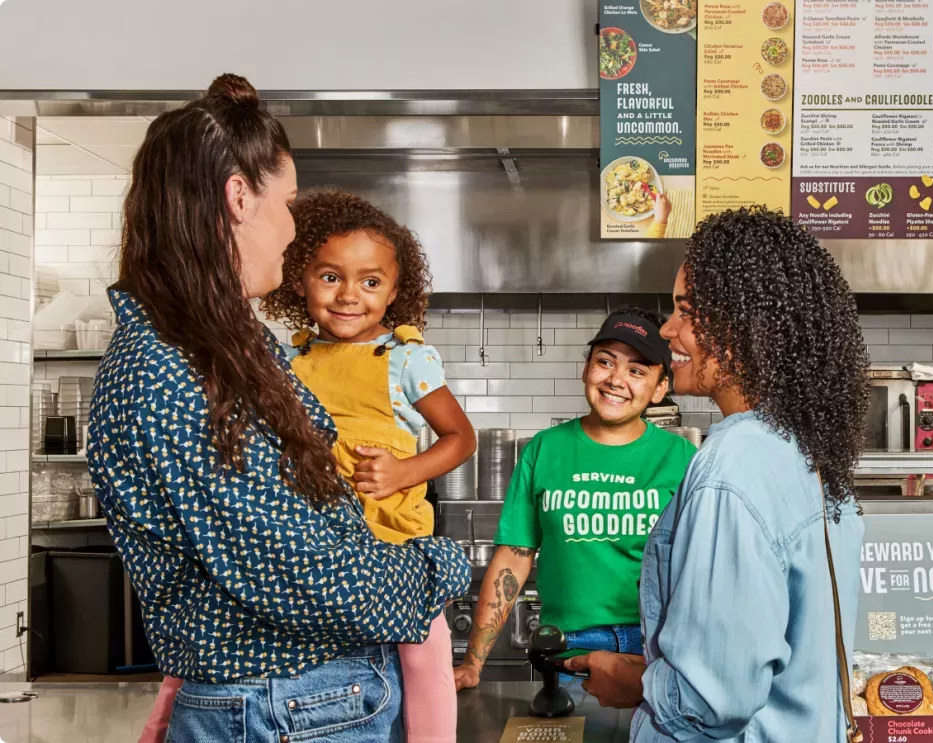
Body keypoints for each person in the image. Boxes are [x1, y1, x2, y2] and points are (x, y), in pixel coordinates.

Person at [89, 74, 469, 743]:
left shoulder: (209, 347)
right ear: (240, 196)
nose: (293, 228)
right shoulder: (175, 370)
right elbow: (300, 571)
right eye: (288, 202)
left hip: (293, 704)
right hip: (289, 708)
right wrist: (440, 564)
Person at [564, 206, 870, 742]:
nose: (668, 329)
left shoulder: (734, 463)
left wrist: (631, 681)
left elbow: (710, 698)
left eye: (686, 309)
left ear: (742, 322)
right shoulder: (804, 450)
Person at [262, 188, 476, 743]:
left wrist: (406, 472)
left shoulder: (407, 357)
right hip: (319, 546)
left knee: (424, 660)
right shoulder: (292, 358)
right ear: (298, 280)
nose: (348, 295)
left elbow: (460, 437)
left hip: (392, 543)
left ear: (394, 292)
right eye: (330, 276)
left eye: (370, 281)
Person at [453, 307, 698, 691]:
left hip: (656, 649)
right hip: (571, 648)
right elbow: (513, 558)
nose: (616, 379)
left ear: (660, 387)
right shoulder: (545, 450)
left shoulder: (683, 458)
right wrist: (473, 662)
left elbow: (700, 566)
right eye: (606, 362)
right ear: (587, 367)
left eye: (637, 370)